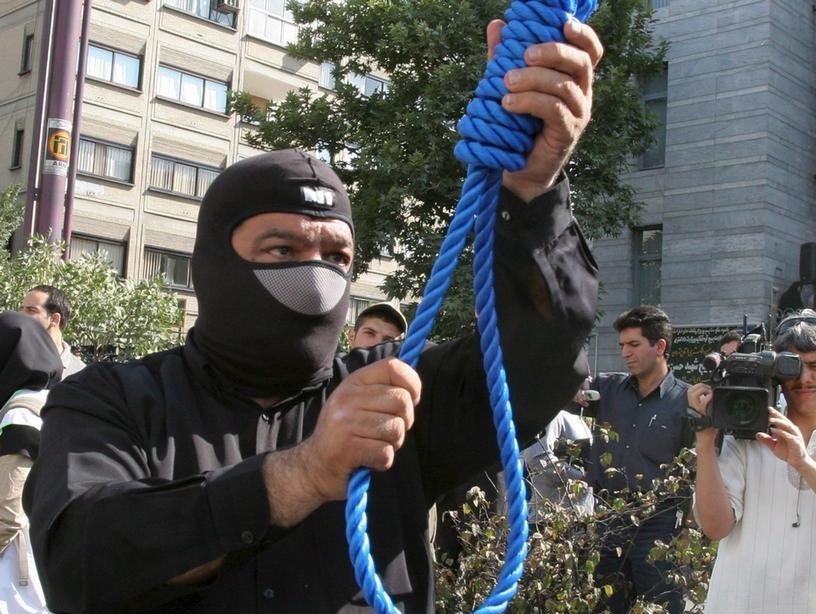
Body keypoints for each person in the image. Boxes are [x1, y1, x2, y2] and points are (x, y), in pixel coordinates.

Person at [24, 18, 603, 614]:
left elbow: (540, 358)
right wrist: (297, 477)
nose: (317, 276)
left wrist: (534, 191)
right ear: (213, 262)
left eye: (336, 255)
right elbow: (81, 559)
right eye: (282, 251)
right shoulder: (109, 400)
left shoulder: (397, 389)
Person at [690, 309, 816, 613]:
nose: (804, 378)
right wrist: (705, 441)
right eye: (794, 367)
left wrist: (803, 463)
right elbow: (715, 527)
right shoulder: (747, 439)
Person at [583, 305, 691, 614]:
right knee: (605, 606)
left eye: (634, 345)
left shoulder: (684, 401)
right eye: (622, 346)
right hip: (608, 521)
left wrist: (686, 530)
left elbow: (695, 470)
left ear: (660, 347)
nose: (625, 353)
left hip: (660, 527)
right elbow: (564, 385)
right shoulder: (606, 389)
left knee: (663, 606)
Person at [0, 312, 61, 613]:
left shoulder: (18, 414)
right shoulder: (52, 400)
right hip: (45, 557)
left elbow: (9, 511)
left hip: (14, 571)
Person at [19, 285, 85, 378]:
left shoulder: (81, 374)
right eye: (21, 309)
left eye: (31, 310)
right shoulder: (12, 362)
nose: (21, 315)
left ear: (54, 319)